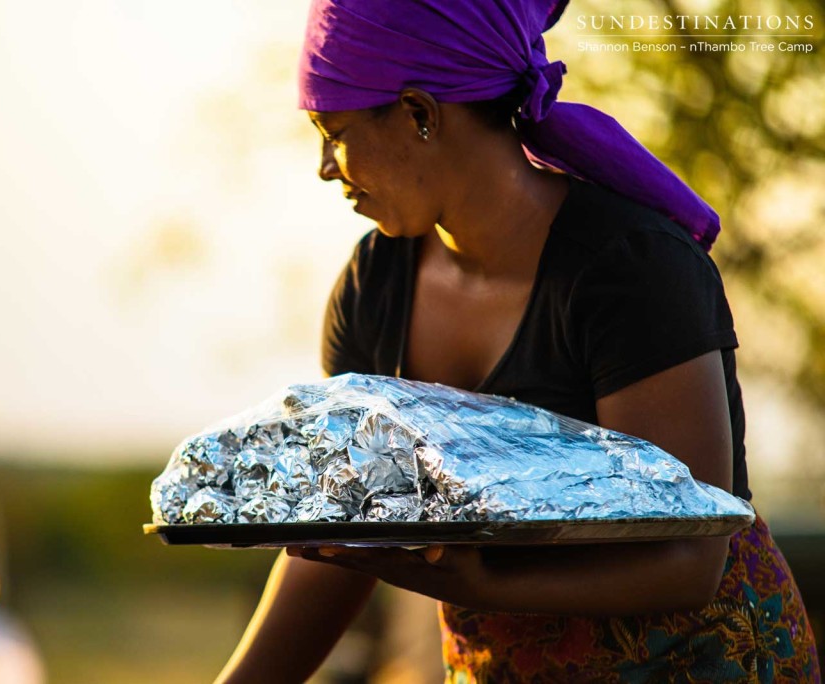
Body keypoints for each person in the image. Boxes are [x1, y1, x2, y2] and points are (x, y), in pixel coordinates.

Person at [216, 1, 820, 681]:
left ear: (419, 112)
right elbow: (341, 539)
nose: (327, 167)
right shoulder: (374, 290)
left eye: (334, 131)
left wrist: (477, 587)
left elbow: (687, 563)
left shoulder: (630, 268)